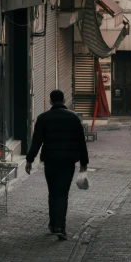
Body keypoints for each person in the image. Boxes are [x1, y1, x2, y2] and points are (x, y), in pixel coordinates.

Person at [25, 89, 88, 240]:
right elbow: (81, 142)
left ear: (51, 101)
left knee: (52, 193)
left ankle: (53, 224)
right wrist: (84, 163)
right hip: (68, 161)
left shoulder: (43, 118)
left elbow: (36, 142)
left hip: (50, 161)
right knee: (63, 194)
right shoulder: (73, 118)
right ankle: (61, 226)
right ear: (64, 100)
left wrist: (29, 159)